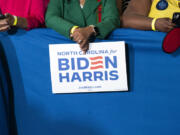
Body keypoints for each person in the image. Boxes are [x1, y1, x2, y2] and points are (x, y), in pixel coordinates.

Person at [45, 0, 120, 53]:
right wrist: (74, 30)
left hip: (102, 51)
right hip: (66, 52)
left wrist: (91, 30)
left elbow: (112, 19)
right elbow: (51, 18)